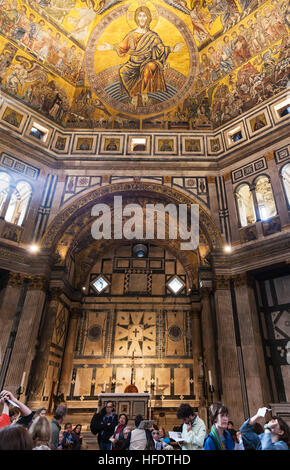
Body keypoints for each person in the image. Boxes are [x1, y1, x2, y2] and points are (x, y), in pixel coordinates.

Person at [97, 5, 183, 107]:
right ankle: (134, 94)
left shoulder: (153, 36)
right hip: (133, 64)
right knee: (122, 71)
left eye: (144, 16)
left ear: (148, 18)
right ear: (136, 18)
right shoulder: (132, 35)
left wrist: (172, 49)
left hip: (148, 61)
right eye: (140, 16)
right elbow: (123, 47)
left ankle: (143, 93)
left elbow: (160, 49)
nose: (142, 18)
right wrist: (110, 47)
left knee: (148, 67)